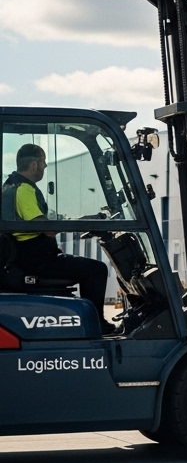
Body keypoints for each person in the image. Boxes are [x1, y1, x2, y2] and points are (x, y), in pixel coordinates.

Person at [1, 143, 114, 334]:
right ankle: (97, 325)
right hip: (35, 262)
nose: (45, 166)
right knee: (97, 270)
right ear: (34, 164)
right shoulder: (24, 189)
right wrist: (81, 223)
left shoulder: (11, 186)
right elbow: (47, 228)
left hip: (26, 258)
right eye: (43, 161)